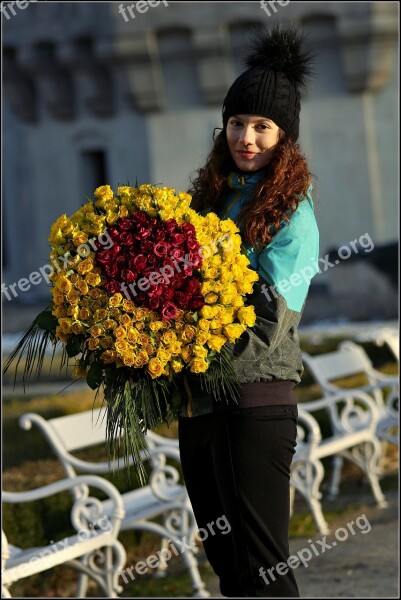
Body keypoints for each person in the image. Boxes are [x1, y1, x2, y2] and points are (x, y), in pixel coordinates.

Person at [177, 25, 319, 598]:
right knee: (228, 567)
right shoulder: (212, 197)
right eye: (237, 123)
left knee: (263, 567)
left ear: (284, 138)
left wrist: (185, 345)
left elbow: (269, 322)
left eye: (262, 126)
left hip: (256, 403)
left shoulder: (294, 216)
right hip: (201, 405)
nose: (247, 137)